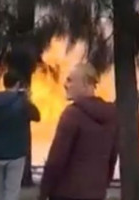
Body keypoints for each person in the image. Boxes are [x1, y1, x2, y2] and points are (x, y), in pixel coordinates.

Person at [38, 64, 118, 200]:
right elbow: (112, 158)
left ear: (86, 84)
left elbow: (56, 160)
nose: (65, 84)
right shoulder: (112, 115)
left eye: (70, 80)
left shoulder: (72, 114)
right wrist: (102, 187)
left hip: (66, 194)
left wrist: (43, 193)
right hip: (95, 194)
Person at [0, 70, 41, 200]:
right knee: (12, 191)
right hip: (16, 153)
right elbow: (37, 116)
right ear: (17, 84)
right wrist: (27, 98)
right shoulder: (22, 102)